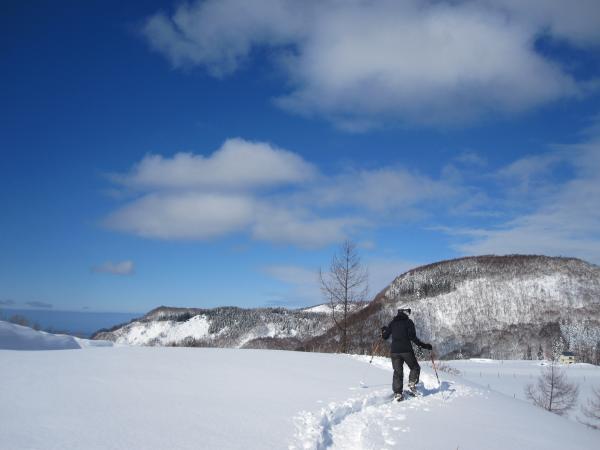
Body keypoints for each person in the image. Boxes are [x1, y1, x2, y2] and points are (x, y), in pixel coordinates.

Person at [381, 307, 432, 401]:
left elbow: (384, 336)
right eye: (408, 311)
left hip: (394, 352)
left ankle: (398, 393)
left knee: (397, 372)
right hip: (406, 350)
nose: (409, 313)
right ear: (403, 311)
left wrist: (384, 330)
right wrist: (424, 345)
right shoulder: (408, 322)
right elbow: (413, 338)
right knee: (415, 367)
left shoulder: (392, 323)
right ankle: (412, 383)